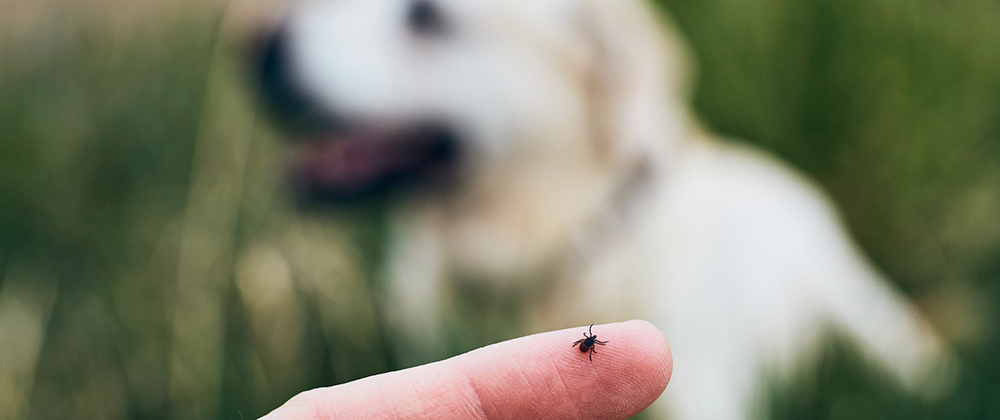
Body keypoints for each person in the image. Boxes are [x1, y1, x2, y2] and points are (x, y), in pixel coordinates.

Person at [260, 321, 672, 419]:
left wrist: (581, 350)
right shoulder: (589, 346)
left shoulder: (582, 344)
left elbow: (580, 347)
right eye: (590, 341)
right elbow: (586, 349)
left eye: (589, 342)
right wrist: (588, 352)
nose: (589, 343)